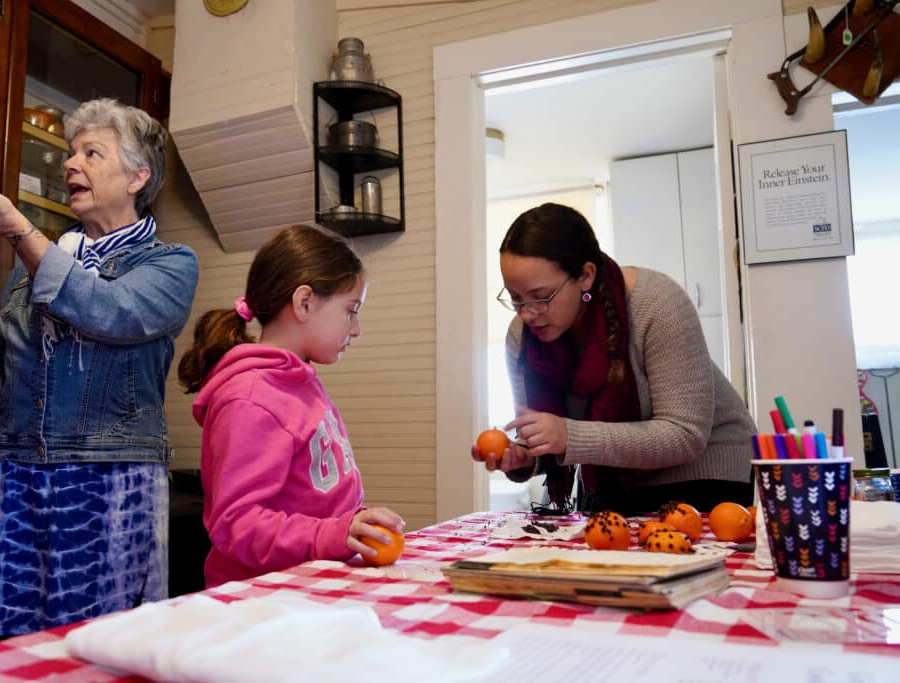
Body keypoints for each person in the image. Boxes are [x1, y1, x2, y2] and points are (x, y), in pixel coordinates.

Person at [0, 98, 199, 646]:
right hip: (13, 474)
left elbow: (110, 312)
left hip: (108, 483)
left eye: (92, 152)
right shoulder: (35, 261)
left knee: (98, 646)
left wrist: (20, 230)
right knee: (0, 642)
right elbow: (3, 358)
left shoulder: (169, 264)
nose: (70, 164)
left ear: (138, 175)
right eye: (70, 153)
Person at [471, 203, 755, 515]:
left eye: (542, 296)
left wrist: (568, 434)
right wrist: (525, 457)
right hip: (610, 481)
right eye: (515, 298)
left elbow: (685, 435)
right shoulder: (522, 337)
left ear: (586, 276)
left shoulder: (657, 305)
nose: (527, 313)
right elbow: (552, 442)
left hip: (705, 476)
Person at [177, 224, 404, 587]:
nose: (356, 328)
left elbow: (312, 500)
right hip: (260, 601)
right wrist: (331, 534)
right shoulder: (250, 398)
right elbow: (237, 525)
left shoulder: (300, 382)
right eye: (351, 310)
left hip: (306, 584)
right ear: (304, 302)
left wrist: (350, 524)